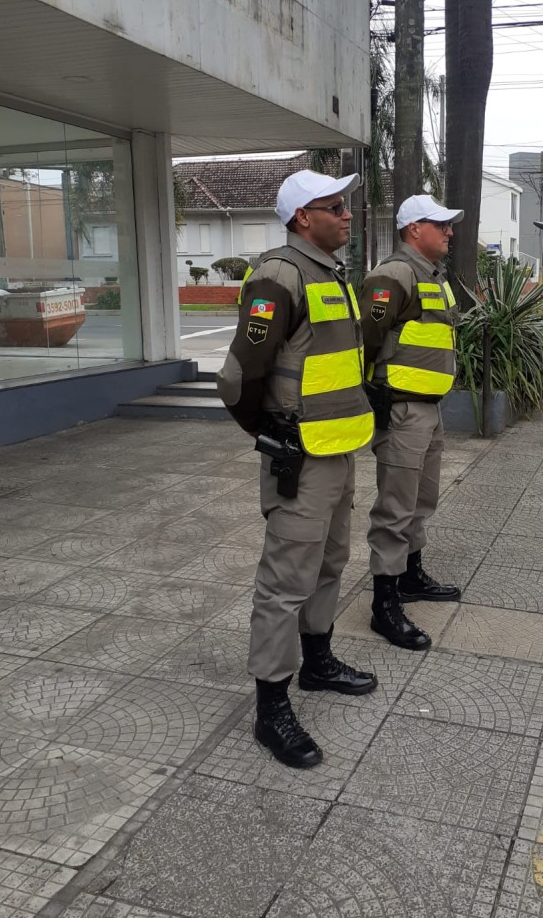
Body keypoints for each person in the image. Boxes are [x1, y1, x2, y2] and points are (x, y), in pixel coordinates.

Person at [217, 169, 377, 770]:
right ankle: (271, 708)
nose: (347, 215)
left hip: (337, 450)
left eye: (346, 206)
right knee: (284, 582)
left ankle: (318, 663)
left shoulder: (333, 274)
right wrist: (268, 433)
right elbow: (236, 378)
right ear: (303, 218)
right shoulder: (279, 275)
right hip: (301, 458)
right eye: (335, 207)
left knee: (331, 563)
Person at [358, 194, 463, 651]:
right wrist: (371, 394)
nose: (449, 232)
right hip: (400, 408)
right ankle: (384, 604)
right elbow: (365, 337)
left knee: (422, 498)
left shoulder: (434, 278)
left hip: (428, 406)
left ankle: (410, 576)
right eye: (440, 224)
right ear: (413, 229)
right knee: (395, 507)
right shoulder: (393, 274)